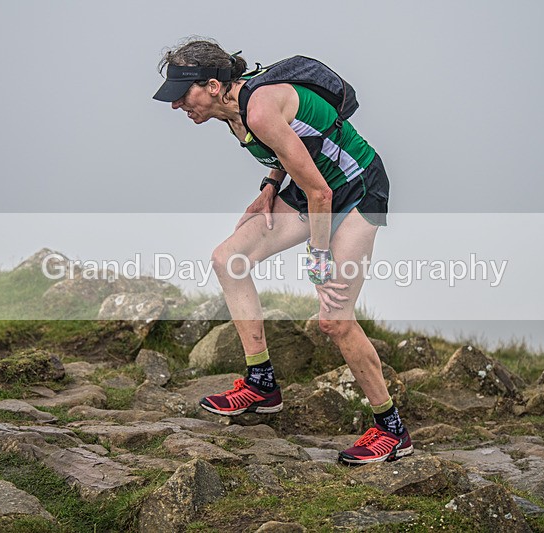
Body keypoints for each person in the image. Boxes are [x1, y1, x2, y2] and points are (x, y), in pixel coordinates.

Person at [153, 38, 412, 465]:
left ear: (213, 85)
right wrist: (270, 186)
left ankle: (392, 430)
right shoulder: (232, 113)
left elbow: (321, 193)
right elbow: (288, 146)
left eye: (183, 93)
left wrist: (318, 259)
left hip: (356, 189)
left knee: (335, 319)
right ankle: (261, 384)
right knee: (228, 260)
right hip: (315, 189)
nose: (176, 104)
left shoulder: (256, 108)